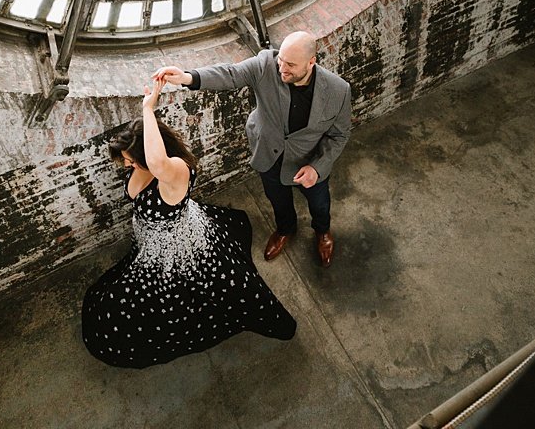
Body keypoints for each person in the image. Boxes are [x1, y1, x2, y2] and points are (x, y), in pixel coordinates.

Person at [82, 78, 296, 368]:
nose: (128, 167)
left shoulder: (176, 171)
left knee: (187, 295)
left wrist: (148, 108)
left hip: (177, 246)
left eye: (133, 162)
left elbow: (157, 164)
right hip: (151, 240)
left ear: (150, 155)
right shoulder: (146, 165)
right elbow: (145, 168)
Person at [154, 30, 351, 268]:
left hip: (309, 160)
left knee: (319, 203)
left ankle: (322, 232)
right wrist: (188, 77)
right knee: (278, 200)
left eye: (290, 65)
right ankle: (285, 229)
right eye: (281, 61)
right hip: (268, 153)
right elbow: (231, 74)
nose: (282, 69)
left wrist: (317, 169)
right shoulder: (266, 64)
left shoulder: (338, 90)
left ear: (311, 62)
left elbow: (339, 135)